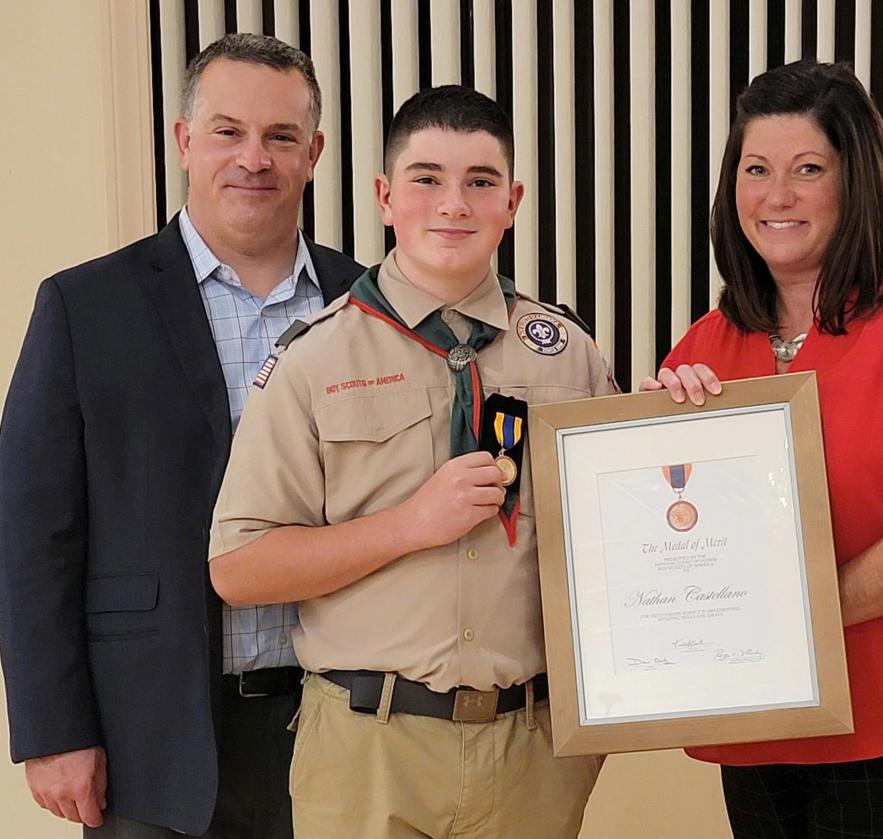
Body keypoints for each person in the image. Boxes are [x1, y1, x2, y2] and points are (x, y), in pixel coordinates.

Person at [207, 85, 616, 839]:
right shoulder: (314, 358)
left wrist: (673, 424)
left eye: (480, 182)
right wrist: (407, 525)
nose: (453, 203)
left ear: (513, 201)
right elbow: (240, 567)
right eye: (427, 178)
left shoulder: (568, 355)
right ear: (386, 197)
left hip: (530, 747)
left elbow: (619, 543)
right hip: (369, 746)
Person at [0, 33, 363, 838]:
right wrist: (53, 728)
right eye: (228, 131)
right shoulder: (83, 307)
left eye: (280, 136)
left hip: (343, 726)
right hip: (151, 737)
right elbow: (31, 535)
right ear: (184, 140)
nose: (253, 158)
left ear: (315, 153)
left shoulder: (367, 303)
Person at [651, 60, 883, 837]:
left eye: (807, 169)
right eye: (756, 169)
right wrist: (647, 460)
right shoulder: (700, 354)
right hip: (757, 728)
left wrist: (787, 618)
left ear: (854, 183)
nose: (776, 196)